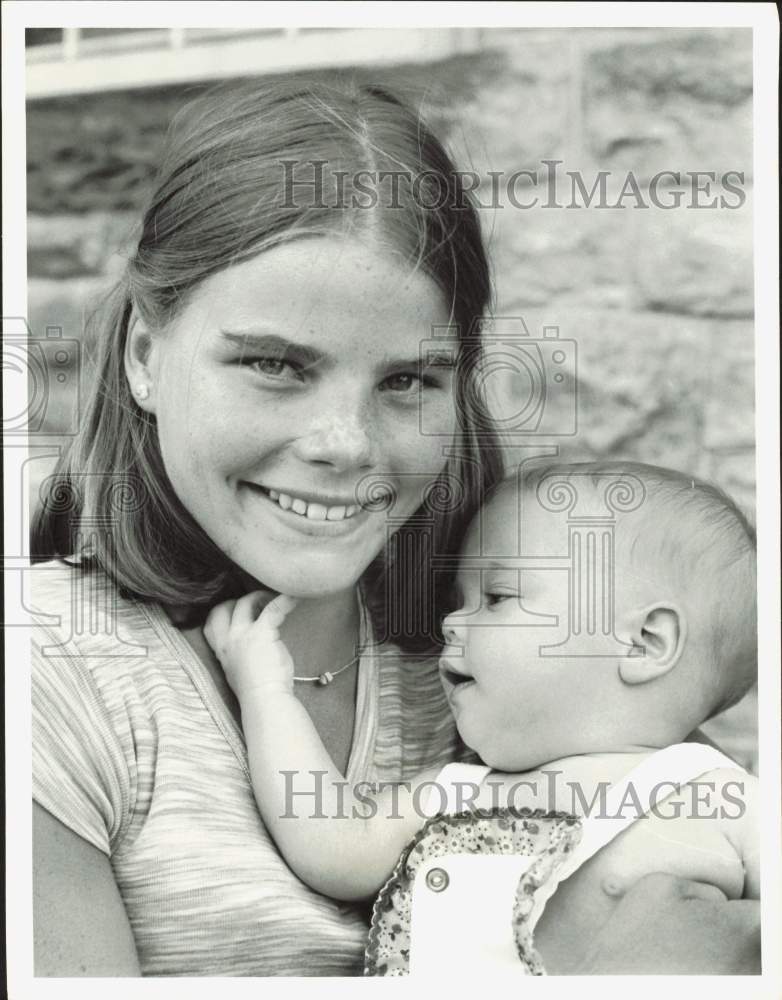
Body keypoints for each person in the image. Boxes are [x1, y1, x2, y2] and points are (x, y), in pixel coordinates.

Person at [29, 78, 760, 977]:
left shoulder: (515, 653)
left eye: (408, 381)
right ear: (146, 354)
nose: (346, 446)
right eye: (273, 364)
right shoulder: (52, 671)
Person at [204, 460, 759, 975]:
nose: (451, 623)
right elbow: (329, 843)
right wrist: (265, 691)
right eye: (457, 599)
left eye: (496, 596)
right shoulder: (459, 793)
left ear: (642, 643)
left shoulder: (722, 798)